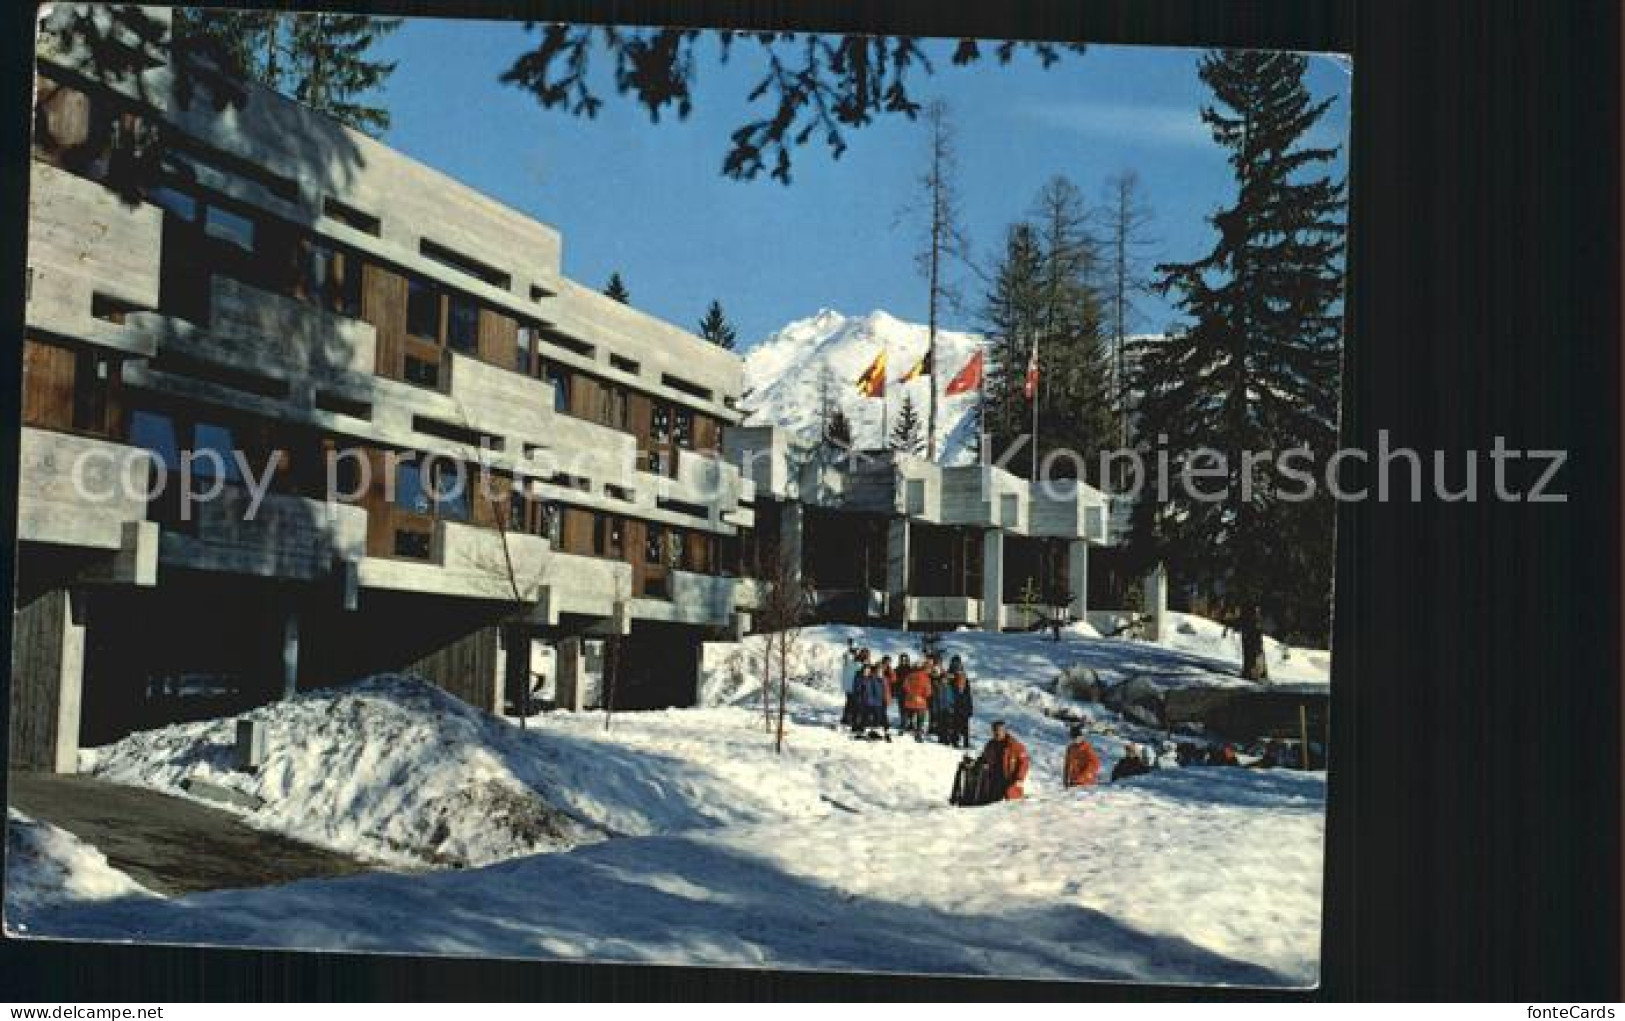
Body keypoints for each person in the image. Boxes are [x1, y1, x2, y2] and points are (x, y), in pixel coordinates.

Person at [977, 720, 1030, 800]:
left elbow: (1024, 762)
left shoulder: (1014, 745)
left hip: (1009, 782)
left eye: (999, 730)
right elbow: (983, 758)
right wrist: (976, 763)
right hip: (994, 781)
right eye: (995, 731)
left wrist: (1019, 778)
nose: (997, 733)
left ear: (1004, 731)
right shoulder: (990, 745)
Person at [855, 663, 890, 741]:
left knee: (878, 718)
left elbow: (883, 691)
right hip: (869, 702)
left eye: (881, 670)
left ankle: (876, 732)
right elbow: (863, 689)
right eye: (878, 670)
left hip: (878, 702)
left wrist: (885, 700)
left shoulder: (880, 679)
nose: (879, 672)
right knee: (866, 717)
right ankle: (863, 732)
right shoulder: (868, 678)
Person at [900, 659, 933, 740]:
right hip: (921, 702)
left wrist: (912, 695)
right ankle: (918, 733)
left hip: (909, 700)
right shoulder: (926, 677)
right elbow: (928, 691)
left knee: (906, 716)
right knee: (920, 718)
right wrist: (922, 696)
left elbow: (905, 686)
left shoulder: (909, 675)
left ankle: (902, 729)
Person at [944, 667, 973, 748]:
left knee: (963, 728)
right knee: (958, 727)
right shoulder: (955, 683)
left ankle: (963, 743)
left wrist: (970, 710)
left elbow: (969, 700)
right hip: (959, 709)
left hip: (962, 710)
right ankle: (958, 742)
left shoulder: (964, 685)